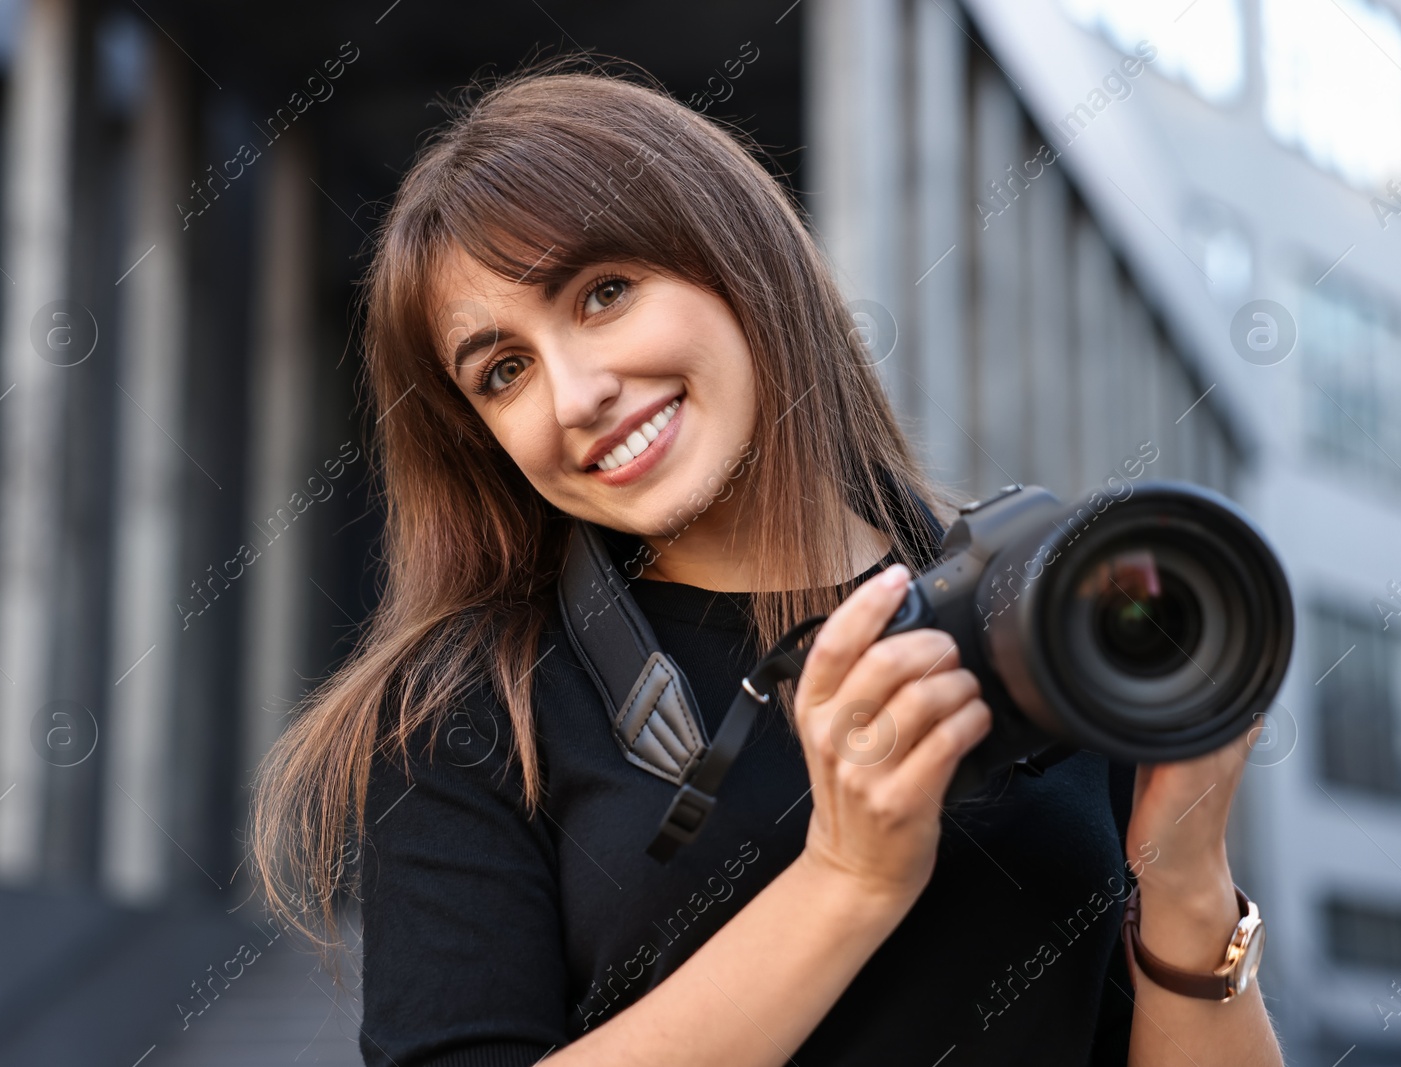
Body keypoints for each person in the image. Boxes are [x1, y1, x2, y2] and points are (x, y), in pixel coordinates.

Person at [248, 65, 1283, 1067]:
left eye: (604, 292)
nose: (573, 394)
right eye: (504, 370)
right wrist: (845, 878)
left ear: (736, 255)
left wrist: (1187, 882)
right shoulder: (468, 712)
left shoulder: (1041, 605)